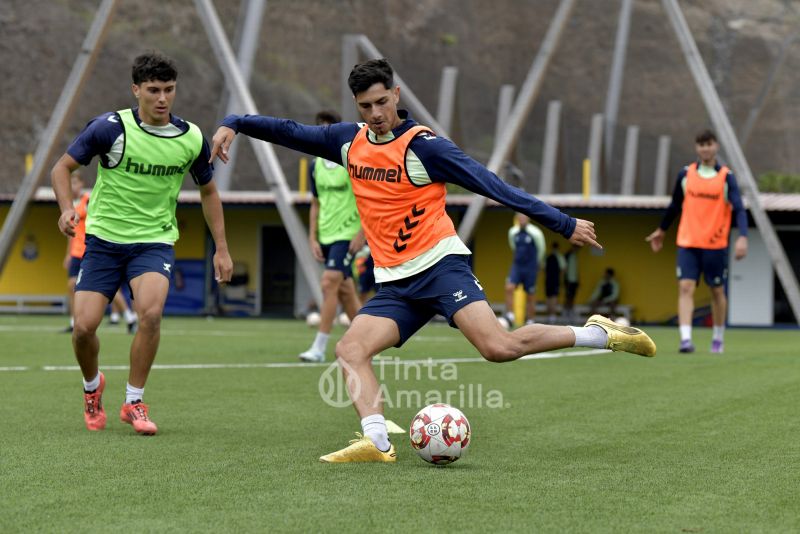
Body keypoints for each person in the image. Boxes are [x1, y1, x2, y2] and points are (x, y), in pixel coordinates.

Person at [210, 58, 655, 463]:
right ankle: (377, 443)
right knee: (350, 349)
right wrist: (236, 122)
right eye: (366, 106)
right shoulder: (347, 142)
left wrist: (561, 222)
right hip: (396, 285)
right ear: (356, 105)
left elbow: (493, 186)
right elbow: (288, 131)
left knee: (498, 348)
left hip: (442, 269)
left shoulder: (426, 149)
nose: (376, 113)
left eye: (383, 102)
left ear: (397, 95)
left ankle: (600, 333)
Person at [51, 52, 233, 435]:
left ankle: (134, 401)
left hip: (154, 241)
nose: (162, 98)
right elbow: (62, 168)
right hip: (103, 240)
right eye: (153, 90)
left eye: (169, 90)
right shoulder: (109, 128)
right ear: (137, 90)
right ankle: (92, 387)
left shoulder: (191, 137)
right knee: (83, 328)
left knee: (150, 314)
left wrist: (222, 248)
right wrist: (67, 209)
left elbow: (209, 192)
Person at [646, 129, 748, 354]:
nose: (705, 148)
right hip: (688, 242)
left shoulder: (726, 177)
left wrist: (742, 236)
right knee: (685, 287)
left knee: (717, 291)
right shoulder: (686, 175)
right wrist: (661, 230)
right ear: (696, 148)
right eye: (701, 144)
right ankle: (685, 339)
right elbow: (674, 206)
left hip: (715, 244)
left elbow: (739, 208)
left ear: (716, 146)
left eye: (709, 144)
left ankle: (718, 337)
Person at [299, 110, 365, 362]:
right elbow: (315, 203)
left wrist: (362, 233)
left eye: (328, 129)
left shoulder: (351, 161)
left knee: (329, 283)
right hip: (326, 235)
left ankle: (319, 347)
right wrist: (312, 237)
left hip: (347, 235)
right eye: (319, 130)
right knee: (346, 292)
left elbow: (366, 199)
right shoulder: (315, 166)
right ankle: (368, 342)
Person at [62, 170, 139, 334]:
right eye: (71, 183)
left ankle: (129, 316)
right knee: (71, 285)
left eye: (76, 183)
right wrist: (68, 254)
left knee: (110, 288)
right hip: (76, 252)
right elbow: (71, 232)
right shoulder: (70, 205)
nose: (73, 186)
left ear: (82, 184)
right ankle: (74, 321)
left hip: (90, 250)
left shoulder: (88, 201)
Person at [500, 213, 545, 327]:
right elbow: (513, 246)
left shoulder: (535, 232)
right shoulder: (513, 232)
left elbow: (541, 249)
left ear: (528, 218)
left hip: (531, 267)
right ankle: (510, 315)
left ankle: (530, 320)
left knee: (530, 295)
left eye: (524, 217)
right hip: (517, 266)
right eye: (520, 217)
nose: (522, 219)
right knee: (509, 287)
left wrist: (536, 264)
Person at [544, 242, 566, 324]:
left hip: (548, 279)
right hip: (555, 280)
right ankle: (552, 316)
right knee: (554, 297)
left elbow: (543, 268)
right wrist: (560, 278)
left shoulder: (547, 256)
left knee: (548, 297)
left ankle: (549, 316)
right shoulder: (560, 257)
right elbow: (563, 269)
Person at [563, 244, 580, 322]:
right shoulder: (567, 255)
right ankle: (566, 312)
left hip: (574, 280)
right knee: (568, 297)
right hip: (569, 280)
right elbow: (564, 268)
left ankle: (570, 312)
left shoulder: (575, 256)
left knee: (572, 297)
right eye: (576, 248)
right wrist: (565, 279)